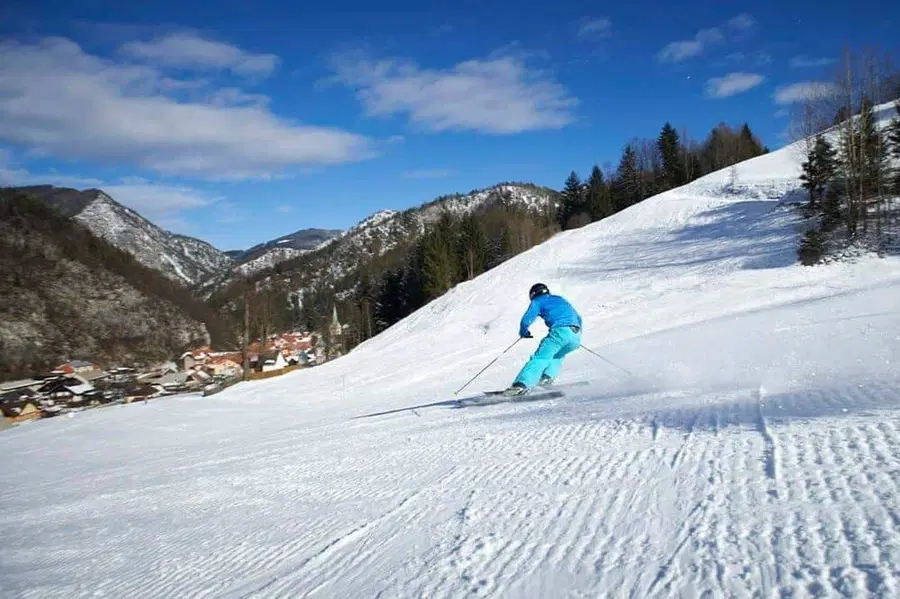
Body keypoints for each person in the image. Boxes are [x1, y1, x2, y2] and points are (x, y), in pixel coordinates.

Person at [504, 283, 583, 396]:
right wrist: (575, 334)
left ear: (533, 294)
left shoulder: (538, 301)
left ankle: (520, 385)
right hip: (576, 335)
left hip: (560, 332)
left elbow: (527, 319)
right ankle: (546, 378)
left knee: (540, 357)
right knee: (557, 355)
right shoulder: (559, 299)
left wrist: (523, 332)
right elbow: (578, 318)